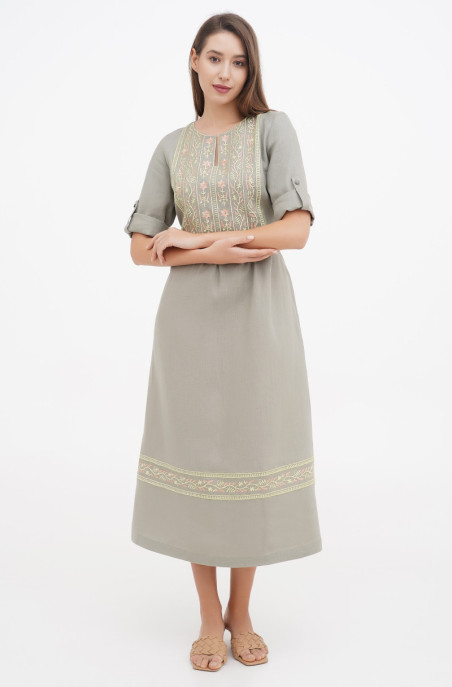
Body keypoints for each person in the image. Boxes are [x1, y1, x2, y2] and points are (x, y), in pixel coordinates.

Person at [124, 12, 322, 673]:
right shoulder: (171, 147)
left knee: (250, 454)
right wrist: (198, 253)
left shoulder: (273, 129)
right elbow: (141, 247)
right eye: (214, 58)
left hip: (260, 313)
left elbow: (296, 230)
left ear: (250, 68)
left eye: (238, 62)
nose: (225, 73)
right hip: (188, 323)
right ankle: (210, 616)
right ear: (193, 60)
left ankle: (242, 610)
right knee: (197, 458)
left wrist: (202, 239)